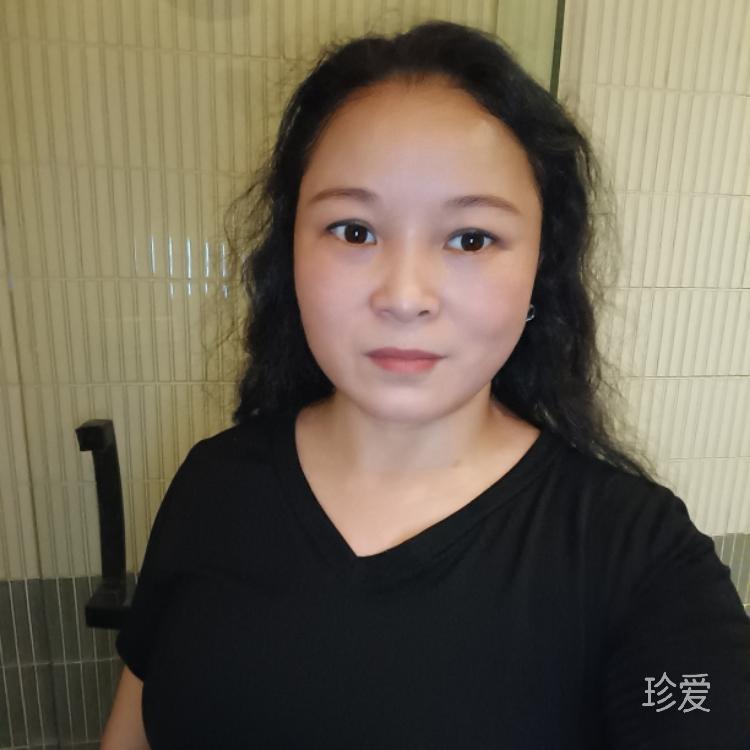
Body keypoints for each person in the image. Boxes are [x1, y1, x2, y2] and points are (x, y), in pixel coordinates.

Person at [101, 20, 750, 749]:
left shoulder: (642, 561)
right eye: (354, 231)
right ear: (290, 252)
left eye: (471, 239)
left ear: (541, 267)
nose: (405, 297)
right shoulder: (213, 484)